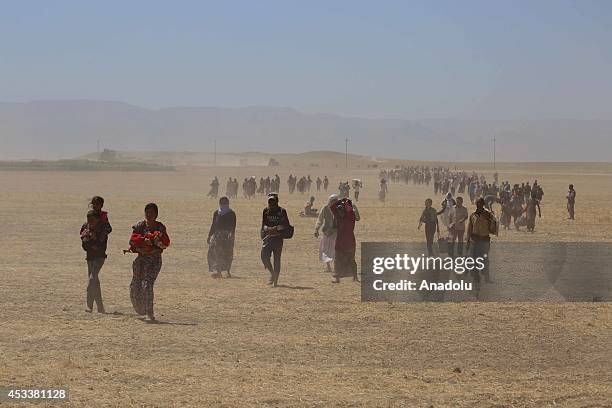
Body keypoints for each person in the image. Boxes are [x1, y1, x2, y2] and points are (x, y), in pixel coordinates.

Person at [127, 203, 170, 322]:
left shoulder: (160, 228)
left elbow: (164, 244)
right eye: (147, 212)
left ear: (156, 214)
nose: (149, 215)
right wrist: (140, 246)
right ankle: (141, 310)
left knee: (147, 285)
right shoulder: (140, 226)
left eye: (152, 213)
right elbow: (132, 241)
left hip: (153, 262)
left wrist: (153, 248)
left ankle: (149, 313)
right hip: (140, 261)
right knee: (135, 286)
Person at [80, 210, 110, 313]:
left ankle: (89, 306)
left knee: (92, 279)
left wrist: (94, 239)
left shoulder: (102, 229)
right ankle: (100, 307)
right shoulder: (86, 228)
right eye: (88, 219)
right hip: (90, 257)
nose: (90, 222)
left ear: (97, 220)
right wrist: (88, 240)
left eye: (92, 220)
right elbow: (84, 245)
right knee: (95, 282)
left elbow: (101, 245)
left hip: (99, 257)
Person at [261, 193, 291, 287]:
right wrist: (265, 230)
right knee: (264, 256)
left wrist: (275, 228)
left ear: (277, 201)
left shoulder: (282, 211)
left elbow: (286, 225)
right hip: (268, 238)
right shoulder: (266, 211)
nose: (271, 203)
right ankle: (272, 273)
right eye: (270, 201)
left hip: (278, 239)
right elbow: (263, 224)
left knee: (277, 259)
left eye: (273, 201)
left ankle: (276, 281)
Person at [466, 198, 497, 285]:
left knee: (485, 259)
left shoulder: (488, 215)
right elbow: (469, 229)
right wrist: (467, 240)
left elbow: (493, 227)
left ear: (483, 204)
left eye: (480, 203)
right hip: (475, 240)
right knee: (474, 259)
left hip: (484, 240)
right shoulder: (472, 215)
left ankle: (487, 278)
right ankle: (476, 278)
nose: (478, 205)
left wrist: (492, 222)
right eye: (477, 203)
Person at [330, 198, 358, 283]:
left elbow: (349, 211)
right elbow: (332, 207)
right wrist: (342, 200)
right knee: (338, 261)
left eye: (341, 211)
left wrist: (345, 202)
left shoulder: (350, 217)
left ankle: (355, 277)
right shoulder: (340, 217)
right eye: (339, 211)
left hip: (348, 242)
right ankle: (338, 278)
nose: (340, 213)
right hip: (342, 242)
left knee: (351, 260)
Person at [207, 197, 236, 278]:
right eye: (222, 203)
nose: (223, 205)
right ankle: (218, 271)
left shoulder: (231, 213)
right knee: (216, 253)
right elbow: (213, 225)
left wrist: (231, 234)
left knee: (228, 253)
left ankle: (228, 271)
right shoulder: (216, 213)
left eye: (225, 203)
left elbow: (233, 225)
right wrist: (209, 235)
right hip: (217, 236)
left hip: (227, 236)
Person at [314, 194, 339, 273]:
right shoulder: (325, 208)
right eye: (332, 201)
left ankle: (336, 267)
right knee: (325, 249)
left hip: (336, 232)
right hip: (327, 232)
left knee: (335, 250)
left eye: (335, 201)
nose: (334, 203)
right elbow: (320, 219)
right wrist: (316, 229)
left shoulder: (340, 209)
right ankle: (328, 266)